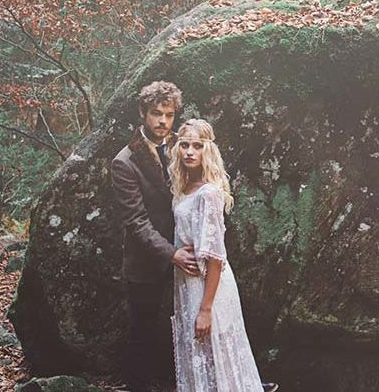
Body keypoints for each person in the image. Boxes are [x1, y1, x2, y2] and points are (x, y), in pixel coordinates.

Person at [168, 119, 273, 392]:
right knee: (197, 355)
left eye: (198, 146)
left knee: (217, 355)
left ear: (207, 151)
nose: (190, 151)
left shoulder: (209, 193)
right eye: (185, 145)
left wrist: (206, 309)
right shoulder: (183, 189)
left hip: (209, 287)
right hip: (186, 285)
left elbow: (215, 257)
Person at [112, 81, 200, 391]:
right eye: (155, 114)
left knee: (186, 327)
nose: (162, 121)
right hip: (147, 264)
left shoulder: (182, 146)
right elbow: (136, 222)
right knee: (143, 335)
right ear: (143, 113)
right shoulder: (124, 162)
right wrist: (172, 253)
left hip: (186, 255)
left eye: (169, 114)